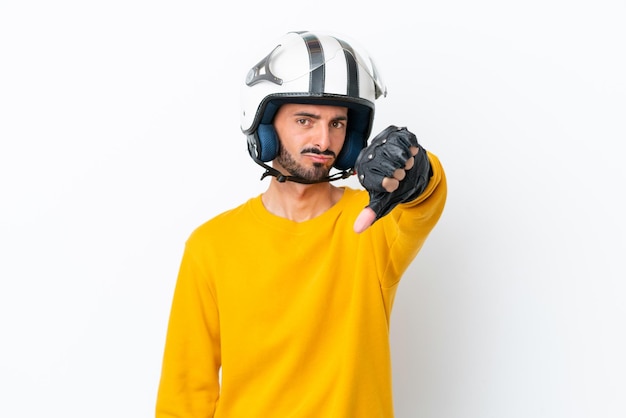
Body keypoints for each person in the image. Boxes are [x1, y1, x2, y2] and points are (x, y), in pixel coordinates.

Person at [155, 30, 447, 417]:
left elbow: (423, 203)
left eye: (338, 124)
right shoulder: (211, 245)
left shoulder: (374, 225)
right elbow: (185, 393)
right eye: (305, 120)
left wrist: (418, 173)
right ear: (265, 126)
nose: (323, 140)